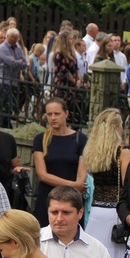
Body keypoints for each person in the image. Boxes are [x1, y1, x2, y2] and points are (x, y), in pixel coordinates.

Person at [82, 108, 130, 258]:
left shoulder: (92, 151)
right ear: (118, 127)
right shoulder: (123, 152)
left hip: (96, 211)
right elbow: (126, 184)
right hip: (115, 212)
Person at [33, 97, 87, 227]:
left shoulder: (80, 139)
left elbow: (82, 173)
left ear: (66, 114)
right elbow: (42, 175)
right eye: (49, 114)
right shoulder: (40, 139)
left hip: (71, 200)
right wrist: (72, 184)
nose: (53, 118)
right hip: (47, 198)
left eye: (57, 114)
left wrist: (75, 186)